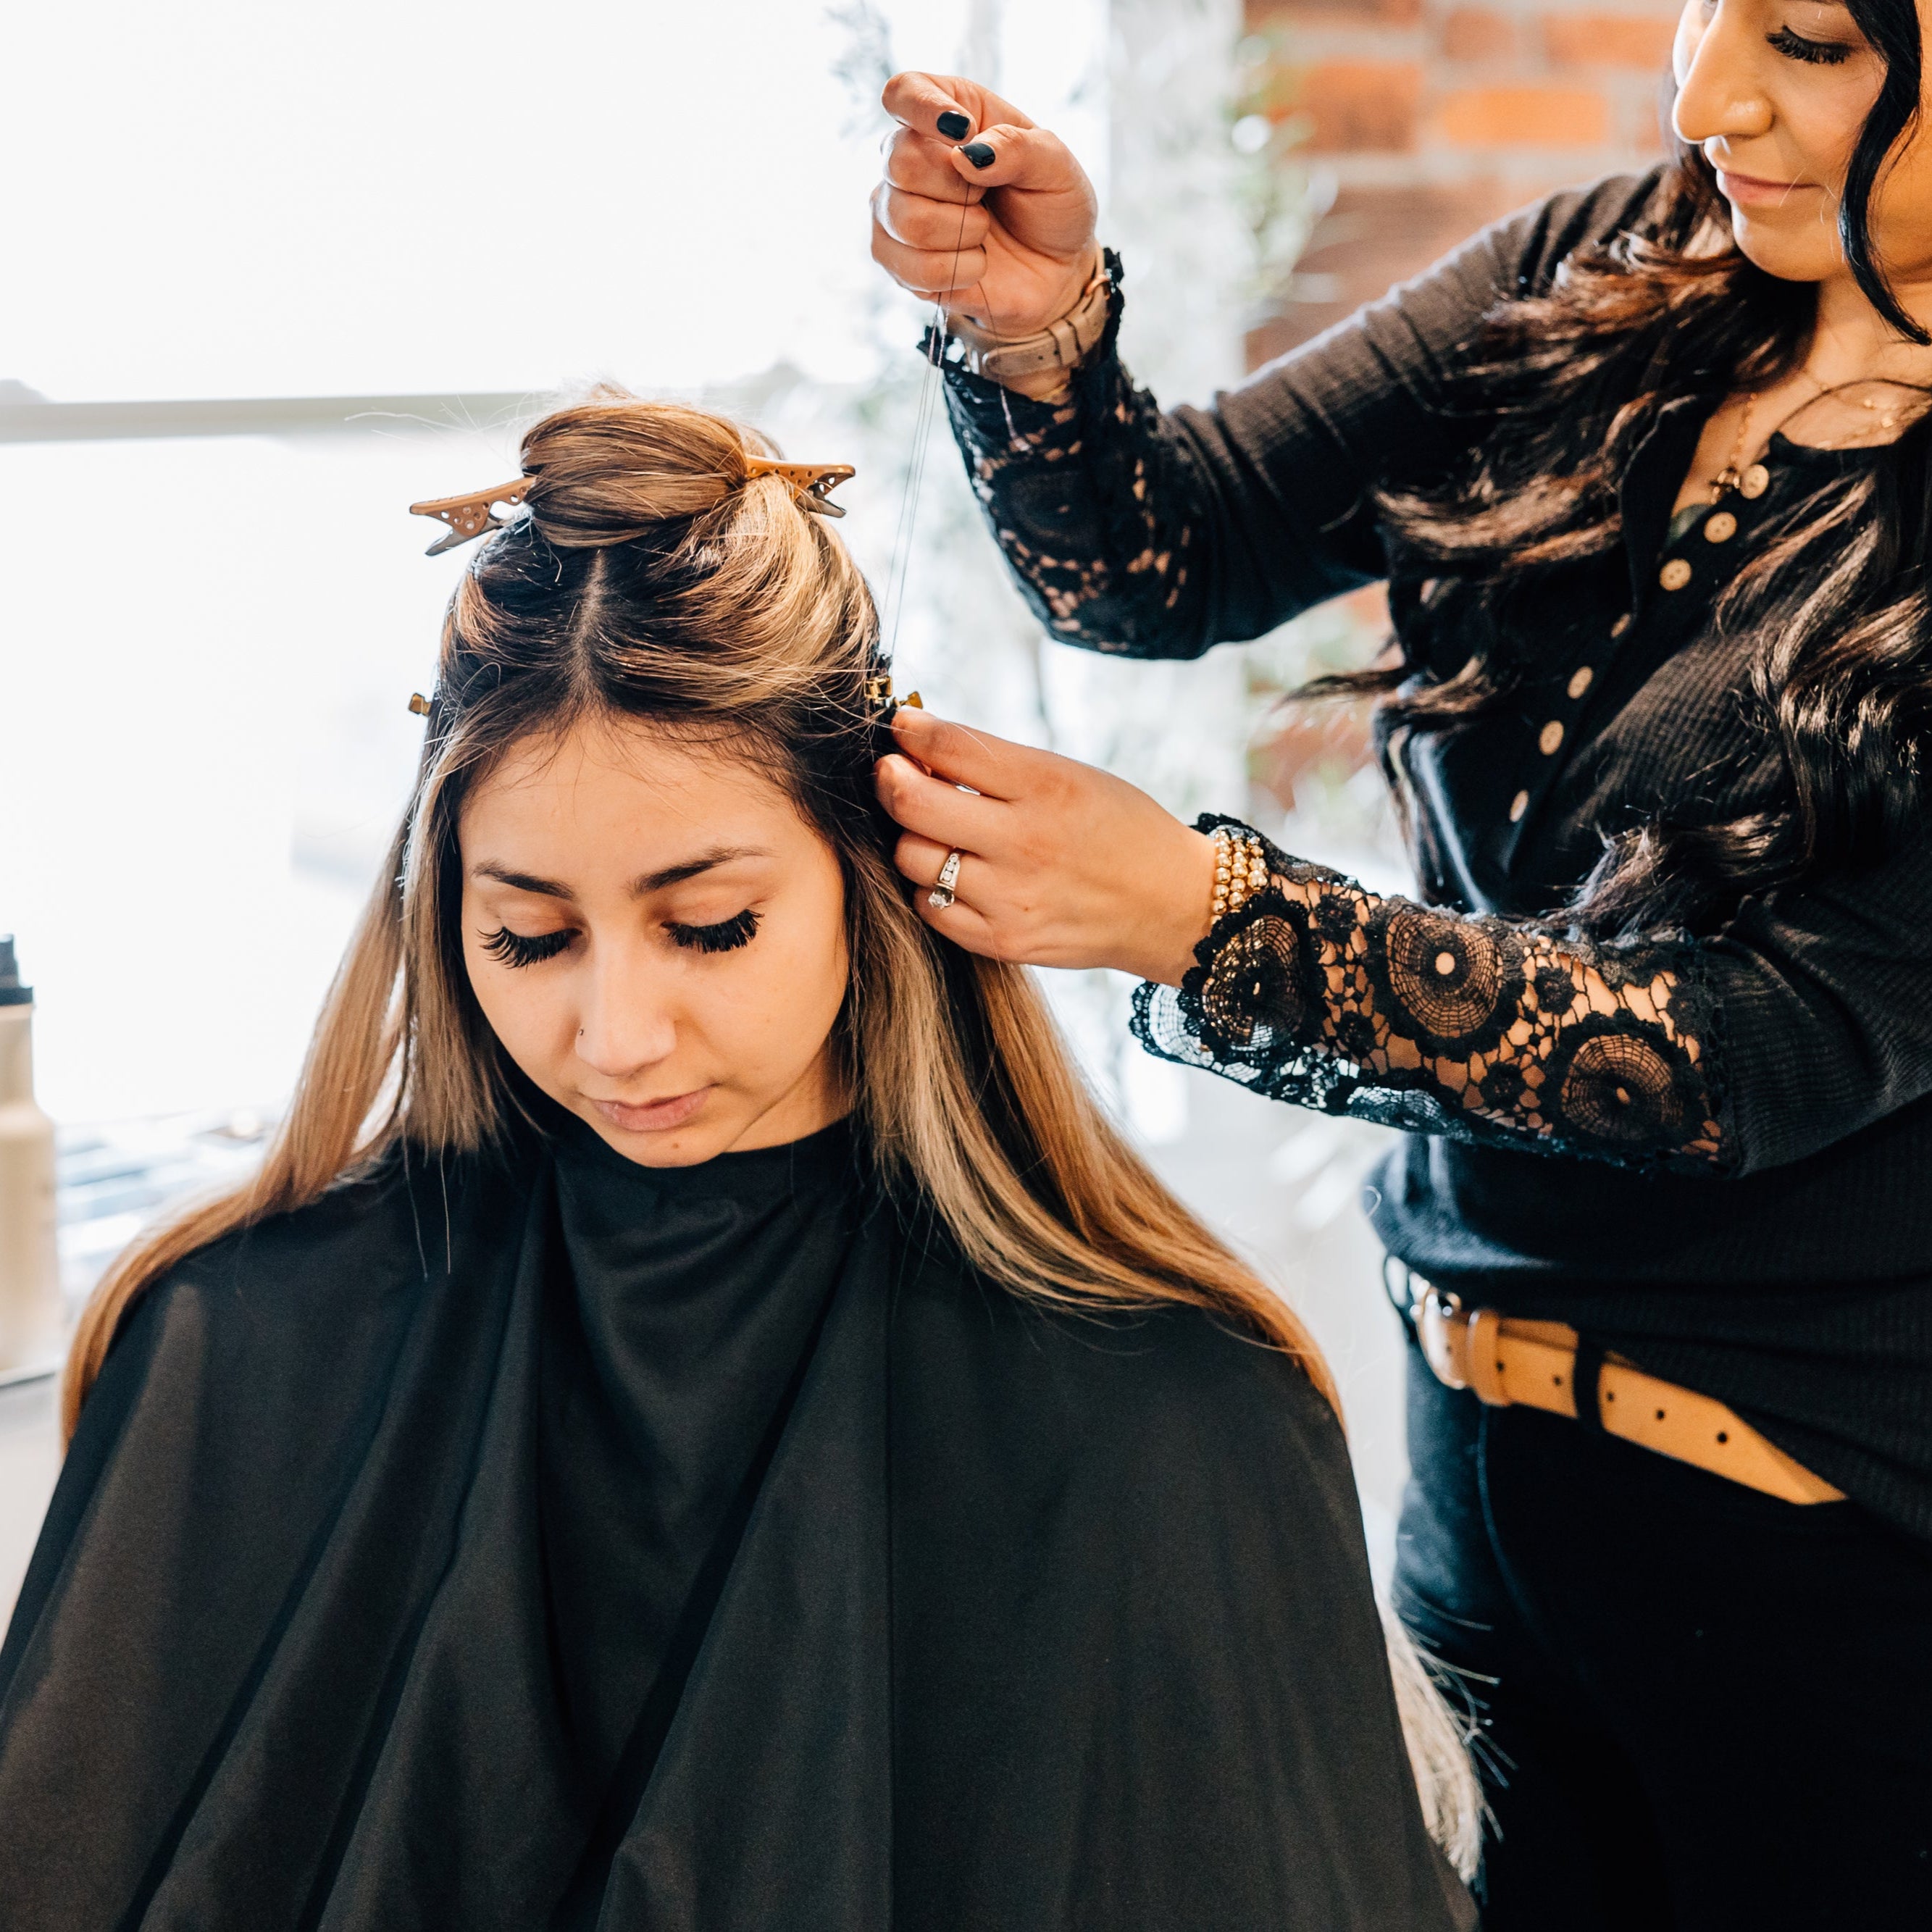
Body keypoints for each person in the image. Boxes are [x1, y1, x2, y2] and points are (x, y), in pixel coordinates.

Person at [0, 396, 1478, 1931]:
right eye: (529, 935)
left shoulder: (1165, 1418)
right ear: (445, 911)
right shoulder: (232, 1347)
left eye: (709, 926)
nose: (618, 1034)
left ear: (873, 865)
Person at [866, 12, 1932, 1927]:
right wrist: (1035, 335)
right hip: (1471, 1473)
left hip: (1825, 1565)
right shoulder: (1607, 268)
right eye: (1703, 4)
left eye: (1807, 41)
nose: (1705, 96)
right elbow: (1161, 558)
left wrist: (1211, 918)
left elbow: (1736, 1056)